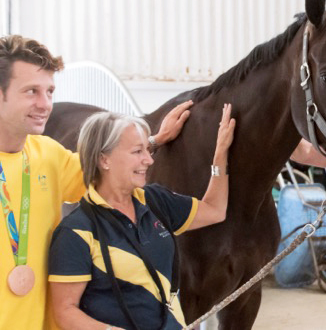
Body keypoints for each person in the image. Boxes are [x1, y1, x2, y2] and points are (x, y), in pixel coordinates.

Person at [0, 34, 192, 330]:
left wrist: (152, 141)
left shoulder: (47, 154)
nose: (45, 104)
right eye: (31, 91)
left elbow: (109, 166)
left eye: (49, 91)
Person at [48, 105, 234, 330]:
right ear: (104, 160)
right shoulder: (76, 232)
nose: (149, 160)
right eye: (138, 152)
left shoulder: (155, 200)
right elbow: (65, 312)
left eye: (148, 149)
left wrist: (220, 155)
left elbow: (215, 210)